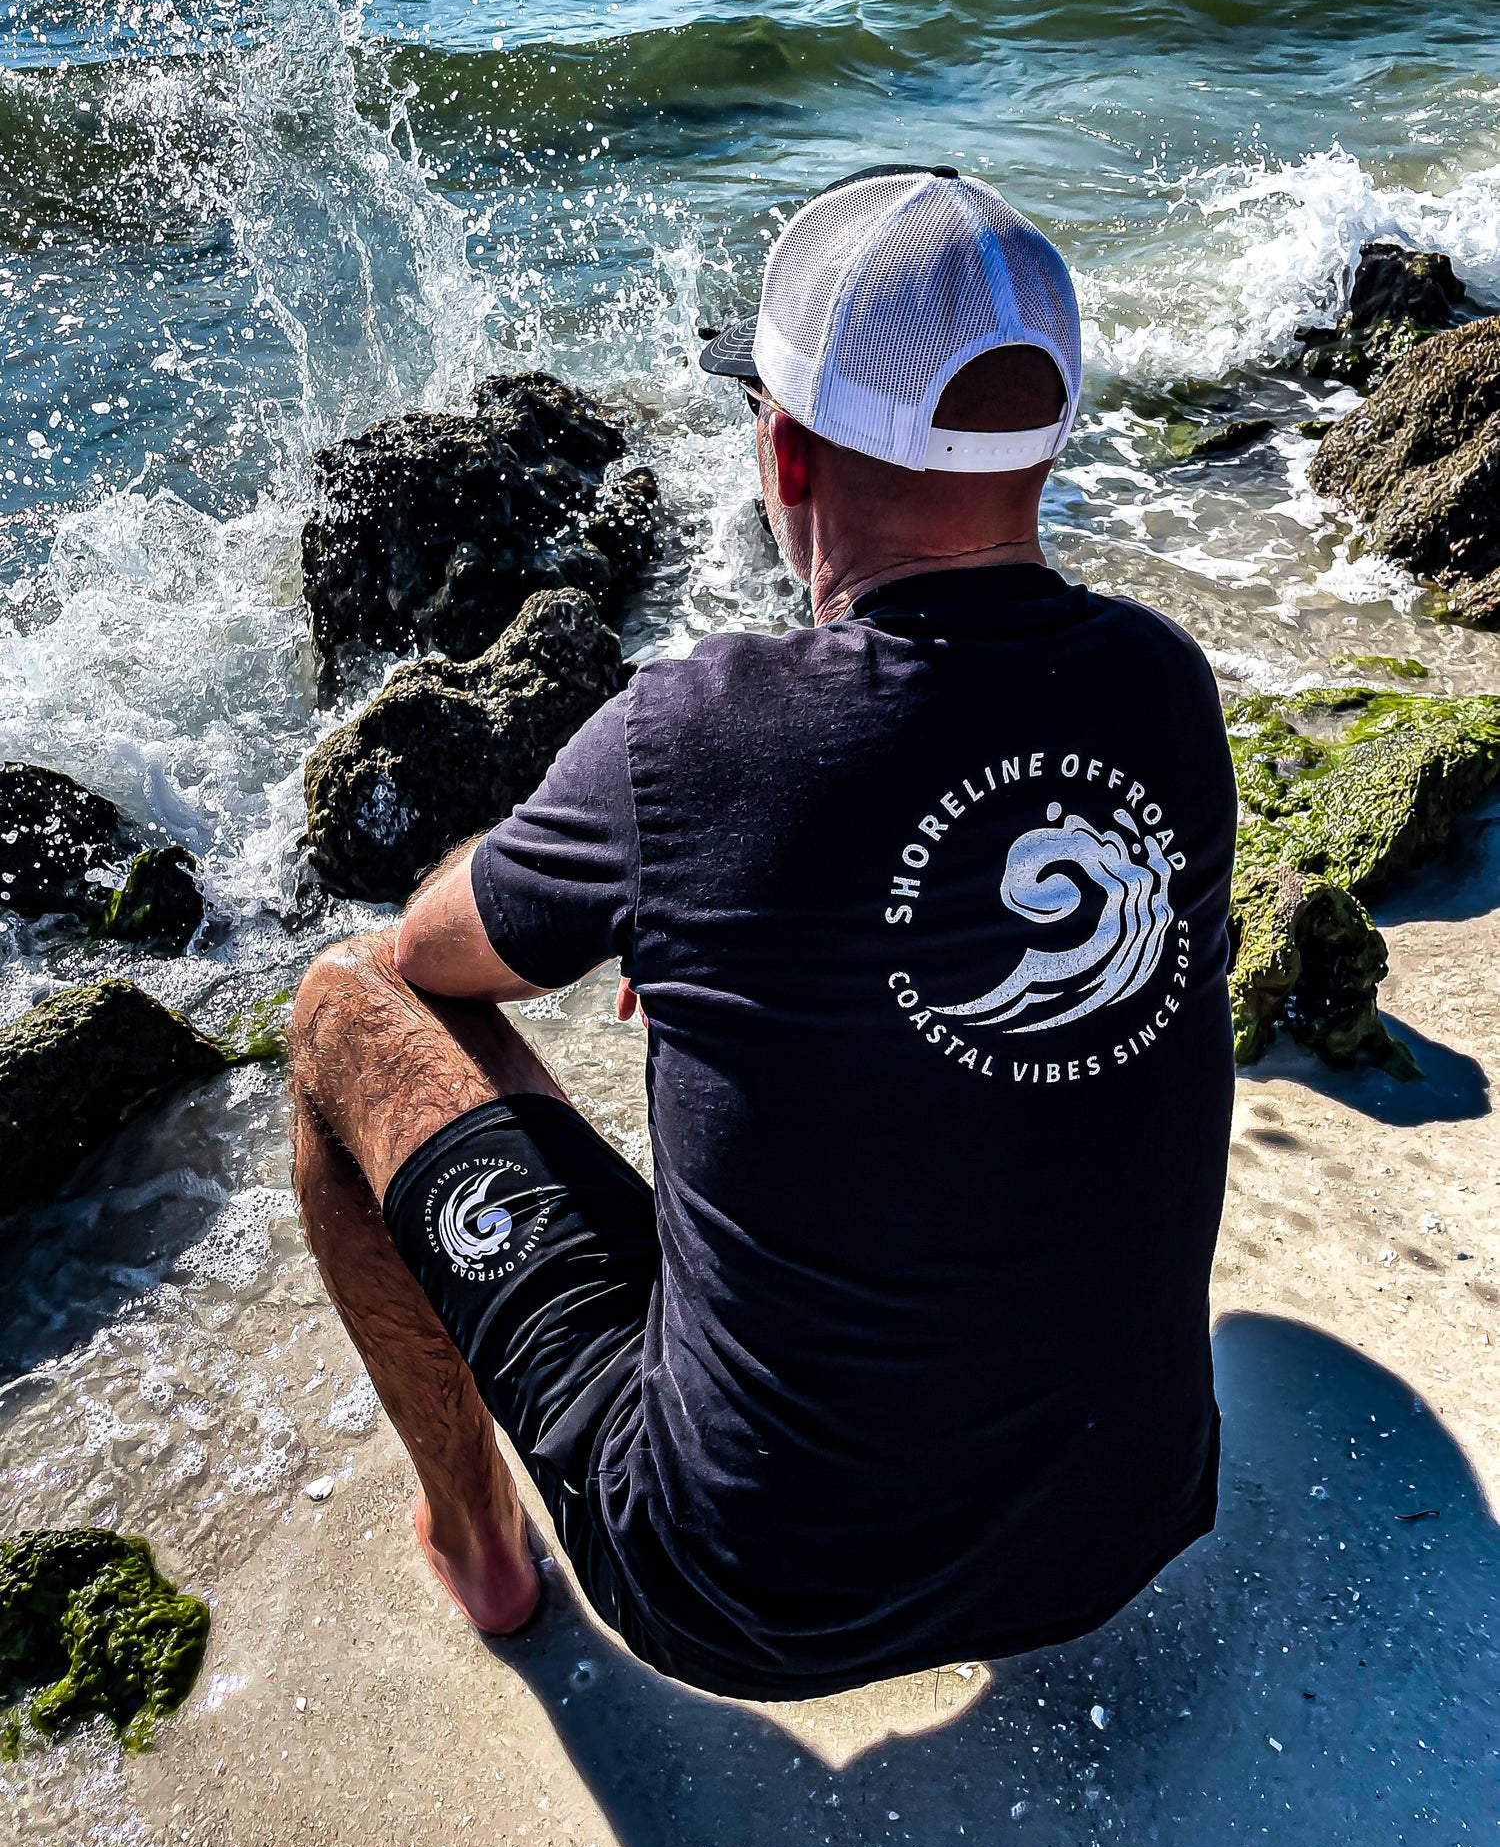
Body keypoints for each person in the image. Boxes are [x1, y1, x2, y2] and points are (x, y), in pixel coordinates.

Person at [289, 165, 1237, 1700]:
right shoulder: (1163, 690)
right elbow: (994, 943)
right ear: (1044, 444)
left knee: (341, 1010)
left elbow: (426, 953)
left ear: (783, 452)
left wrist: (669, 895)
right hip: (1118, 1532)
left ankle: (477, 1547)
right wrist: (742, 933)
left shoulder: (693, 741)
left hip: (744, 1593)